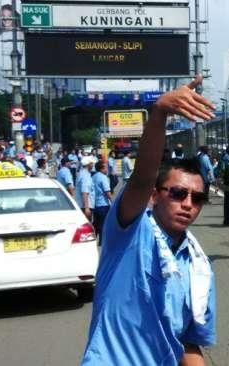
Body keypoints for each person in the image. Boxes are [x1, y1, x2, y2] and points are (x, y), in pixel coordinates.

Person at [81, 77, 217, 366]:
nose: (188, 204)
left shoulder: (198, 267)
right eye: (178, 193)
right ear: (155, 196)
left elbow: (188, 344)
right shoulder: (130, 230)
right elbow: (143, 178)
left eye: (198, 198)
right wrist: (159, 115)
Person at [92, 161, 112, 245]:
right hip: (103, 203)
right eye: (106, 167)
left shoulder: (93, 177)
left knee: (96, 223)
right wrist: (112, 201)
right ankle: (102, 241)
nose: (107, 169)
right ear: (101, 168)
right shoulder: (103, 178)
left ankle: (93, 239)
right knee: (104, 223)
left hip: (95, 204)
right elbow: (107, 191)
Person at [75, 156, 95, 220]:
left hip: (81, 205)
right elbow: (85, 192)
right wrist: (87, 208)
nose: (93, 165)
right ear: (88, 164)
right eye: (92, 163)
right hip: (86, 206)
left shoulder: (81, 173)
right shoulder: (86, 176)